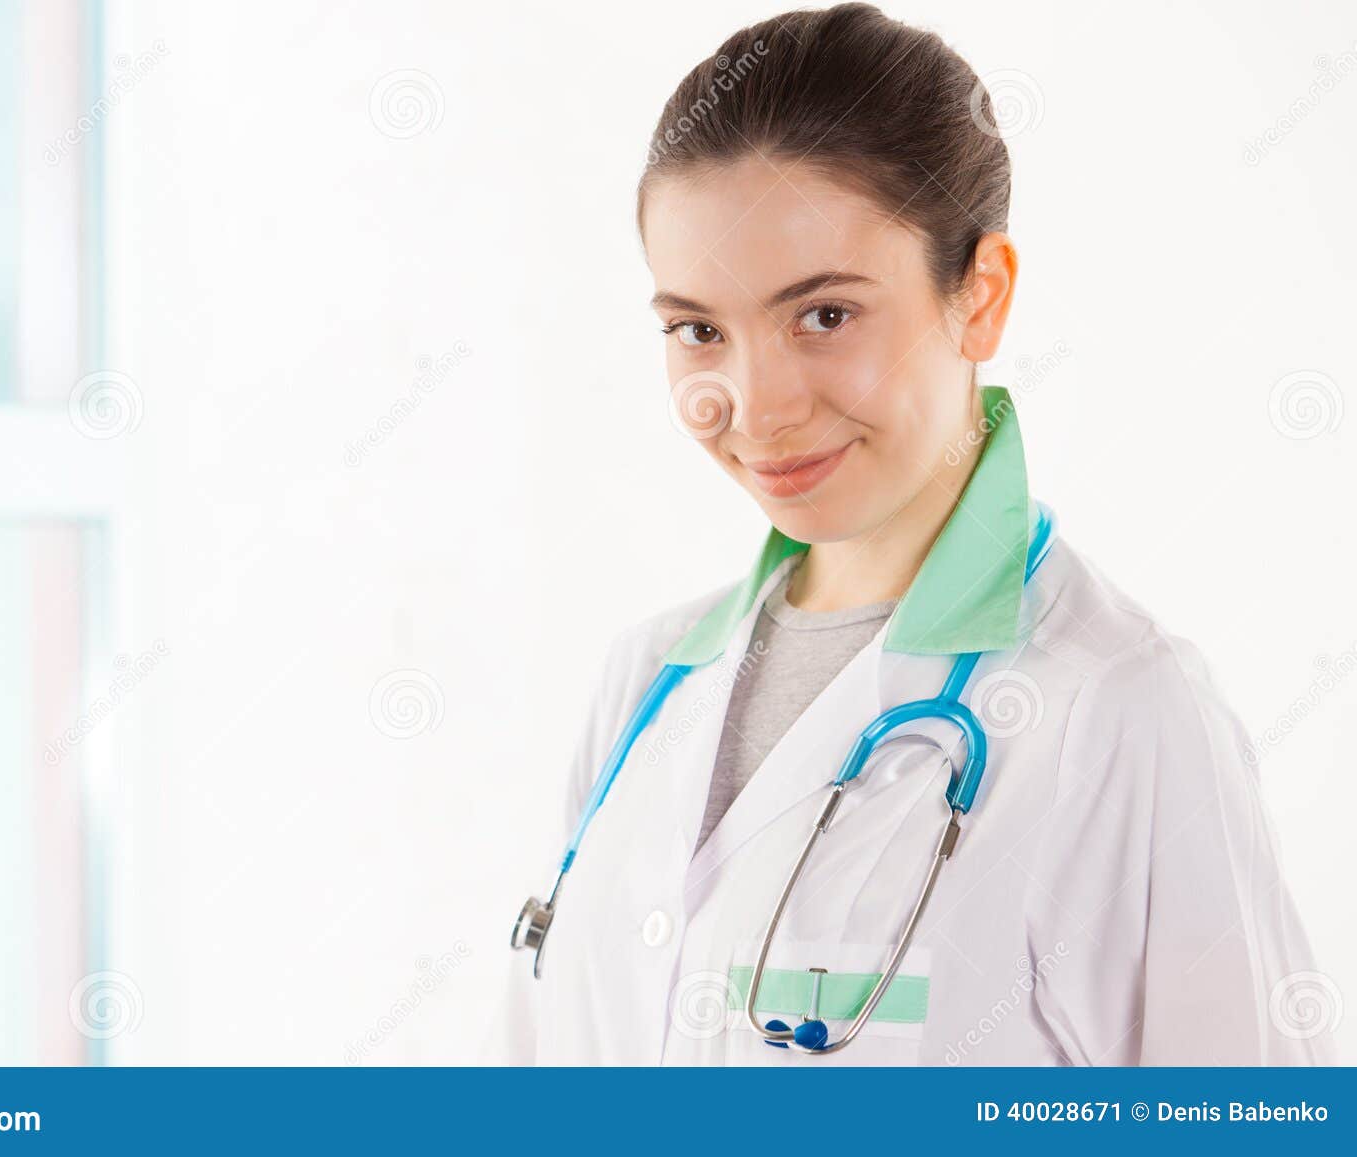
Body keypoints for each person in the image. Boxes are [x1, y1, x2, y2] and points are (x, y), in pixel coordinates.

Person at [492, 3, 1335, 1065]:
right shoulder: (641, 687)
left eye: (824, 315)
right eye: (698, 330)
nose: (756, 407)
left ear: (979, 296)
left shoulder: (1114, 708)